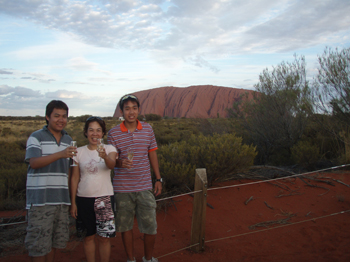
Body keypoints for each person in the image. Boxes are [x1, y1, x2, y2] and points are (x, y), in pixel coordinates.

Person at [107, 94, 163, 262]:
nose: (131, 112)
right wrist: (119, 163)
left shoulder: (147, 129)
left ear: (139, 110)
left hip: (145, 186)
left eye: (134, 108)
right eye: (127, 108)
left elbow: (152, 153)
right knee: (125, 227)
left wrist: (158, 179)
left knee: (150, 227)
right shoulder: (114, 133)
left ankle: (148, 258)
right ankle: (130, 259)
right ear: (122, 111)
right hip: (122, 188)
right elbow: (110, 160)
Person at [25, 100, 75, 262]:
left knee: (54, 243)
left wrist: (70, 200)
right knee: (39, 246)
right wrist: (60, 154)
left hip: (60, 200)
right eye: (56, 116)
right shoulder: (36, 137)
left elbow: (68, 171)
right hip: (40, 201)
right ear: (47, 117)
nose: (61, 120)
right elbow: (34, 162)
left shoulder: (68, 140)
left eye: (64, 116)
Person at [70, 116, 117, 262]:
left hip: (105, 199)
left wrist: (104, 156)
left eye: (98, 130)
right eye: (91, 130)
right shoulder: (78, 152)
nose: (94, 134)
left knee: (104, 238)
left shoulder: (110, 149)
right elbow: (74, 178)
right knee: (88, 237)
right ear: (85, 132)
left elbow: (111, 165)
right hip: (83, 199)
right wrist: (73, 203)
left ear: (103, 133)